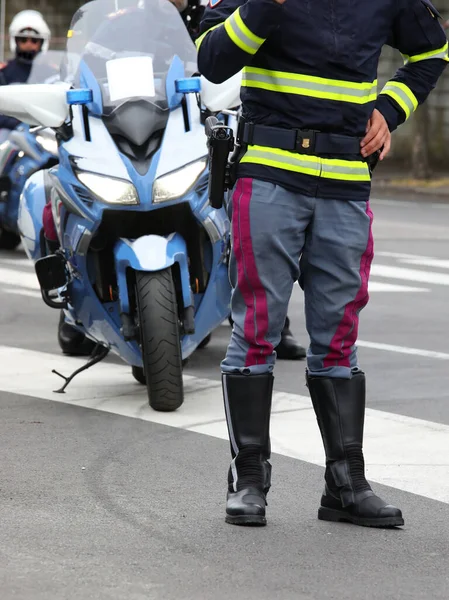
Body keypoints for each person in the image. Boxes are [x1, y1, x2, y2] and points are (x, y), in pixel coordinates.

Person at [197, 0, 447, 526]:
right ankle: (248, 478)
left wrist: (391, 108)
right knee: (258, 328)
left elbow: (434, 48)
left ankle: (345, 483)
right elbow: (211, 58)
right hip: (268, 173)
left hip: (345, 178)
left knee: (338, 334)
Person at [0, 11, 51, 141]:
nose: (29, 44)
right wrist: (18, 124)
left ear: (41, 42)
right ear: (15, 41)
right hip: (12, 132)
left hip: (46, 130)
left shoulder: (52, 73)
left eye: (34, 40)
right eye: (23, 39)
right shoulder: (4, 72)